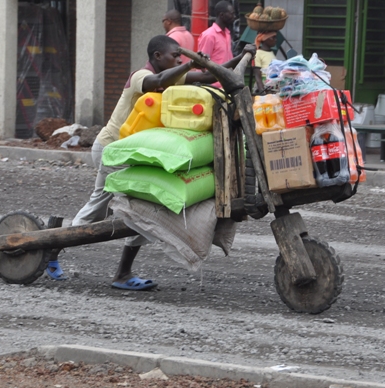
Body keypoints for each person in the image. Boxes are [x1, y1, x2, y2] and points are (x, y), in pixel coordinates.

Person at [47, 35, 256, 287]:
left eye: (180, 57)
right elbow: (157, 81)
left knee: (143, 210)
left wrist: (241, 57)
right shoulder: (140, 77)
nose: (179, 60)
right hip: (112, 149)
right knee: (100, 208)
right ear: (158, 57)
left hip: (135, 152)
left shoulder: (172, 75)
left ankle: (122, 273)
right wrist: (190, 64)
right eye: (174, 56)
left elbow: (208, 77)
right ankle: (51, 249)